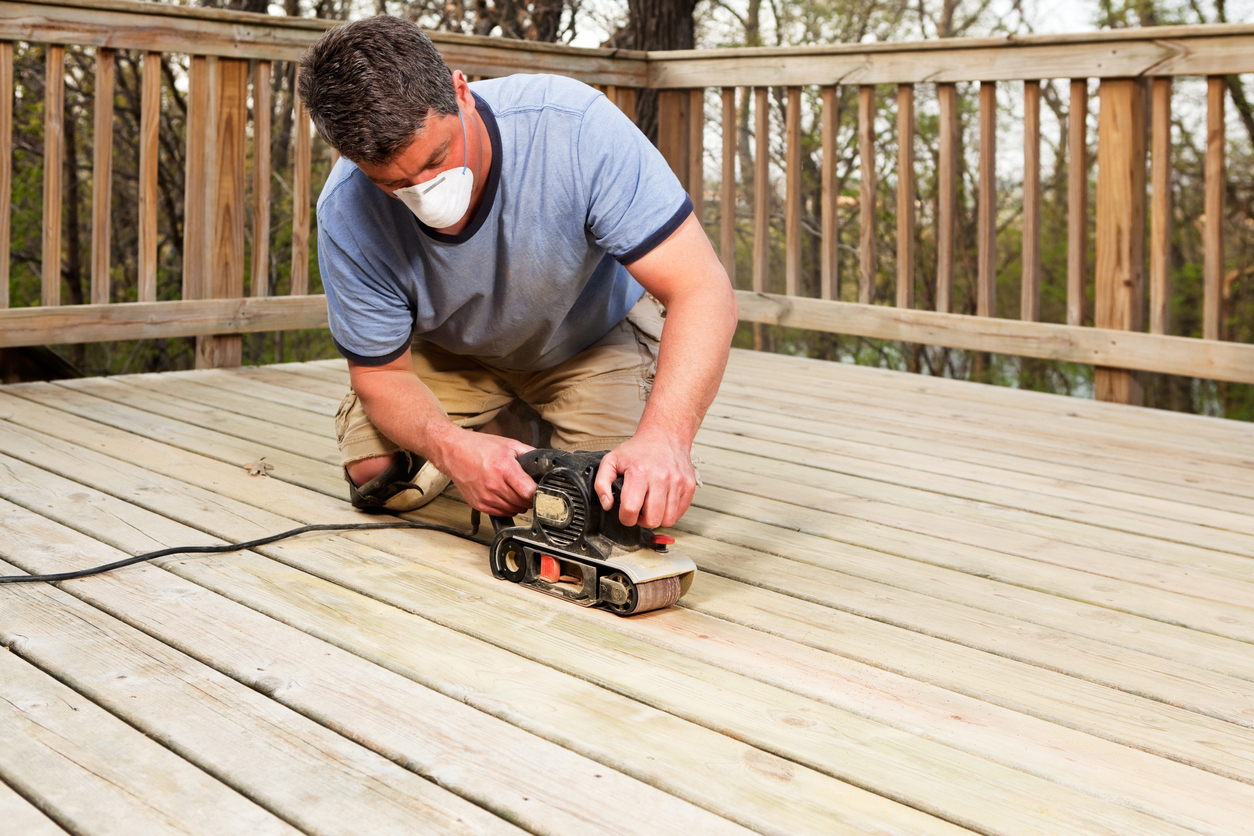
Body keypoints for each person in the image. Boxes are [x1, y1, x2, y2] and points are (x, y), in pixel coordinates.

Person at [298, 15, 736, 531]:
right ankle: (503, 426)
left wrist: (666, 437)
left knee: (619, 505)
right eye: (393, 183)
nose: (425, 191)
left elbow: (701, 288)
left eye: (438, 157)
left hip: (589, 338)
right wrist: (453, 447)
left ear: (461, 91)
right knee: (379, 475)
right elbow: (381, 374)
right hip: (456, 353)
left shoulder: (574, 127)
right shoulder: (346, 210)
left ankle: (529, 427)